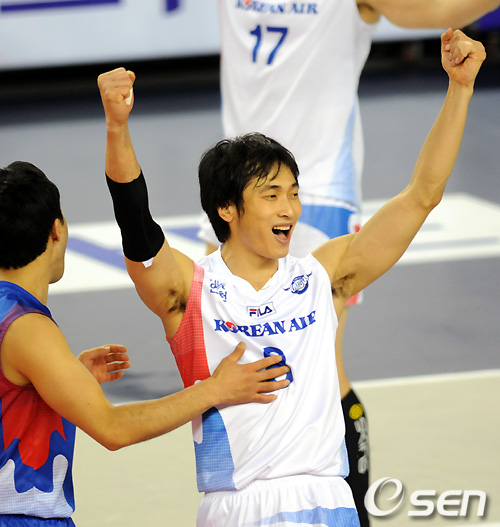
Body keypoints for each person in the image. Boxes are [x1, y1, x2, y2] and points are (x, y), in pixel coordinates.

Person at [99, 28, 485, 527]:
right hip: (240, 506)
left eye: (294, 193)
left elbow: (421, 196)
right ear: (227, 208)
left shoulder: (324, 276)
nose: (290, 209)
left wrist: (460, 89)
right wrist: (117, 127)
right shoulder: (190, 290)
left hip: (330, 500)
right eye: (272, 195)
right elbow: (136, 225)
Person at [196, 3, 500, 523]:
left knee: (322, 365)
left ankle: (350, 509)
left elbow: (432, 10)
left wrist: (460, 85)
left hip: (316, 188)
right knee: (227, 363)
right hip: (235, 190)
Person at [0, 162, 291, 526]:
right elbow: (113, 428)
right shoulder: (28, 329)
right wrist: (215, 389)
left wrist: (58, 378)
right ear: (57, 230)